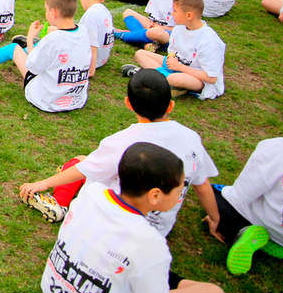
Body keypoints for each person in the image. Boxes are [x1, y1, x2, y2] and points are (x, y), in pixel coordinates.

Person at [19, 68, 221, 228]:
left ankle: (59, 203)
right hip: (156, 229)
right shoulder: (191, 138)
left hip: (111, 223)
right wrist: (215, 218)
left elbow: (85, 169)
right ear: (170, 106)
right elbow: (202, 185)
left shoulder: (123, 142)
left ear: (128, 104)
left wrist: (44, 183)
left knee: (81, 161)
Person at [37, 142, 226, 293]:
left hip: (52, 288)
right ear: (155, 195)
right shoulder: (151, 244)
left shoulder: (90, 193)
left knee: (177, 282)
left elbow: (83, 163)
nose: (180, 197)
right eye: (180, 190)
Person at [211, 80, 283, 276]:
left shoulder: (274, 150)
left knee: (213, 195)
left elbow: (239, 197)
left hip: (278, 232)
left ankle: (251, 235)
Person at [120, 0, 226, 100]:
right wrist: (171, 60)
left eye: (175, 11)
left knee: (175, 79)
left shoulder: (210, 40)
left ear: (189, 15)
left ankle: (149, 77)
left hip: (198, 79)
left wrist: (180, 67)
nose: (172, 14)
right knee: (141, 54)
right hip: (176, 68)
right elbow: (172, 52)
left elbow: (211, 78)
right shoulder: (178, 28)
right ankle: (162, 82)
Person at [77, 0, 115, 76]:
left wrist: (91, 69)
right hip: (103, 59)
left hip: (92, 61)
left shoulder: (91, 15)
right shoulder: (105, 11)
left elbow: (92, 45)